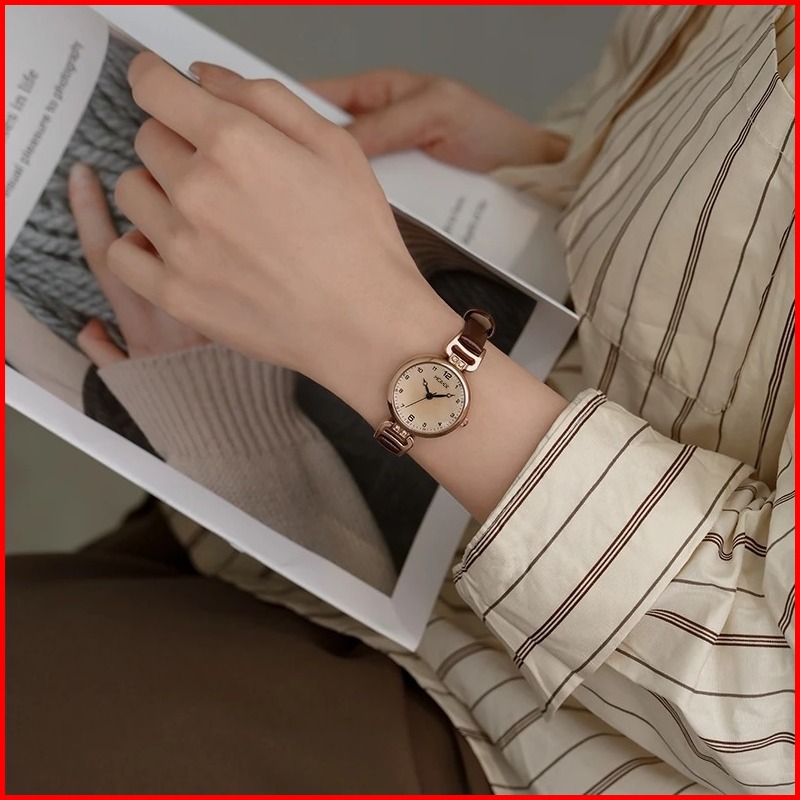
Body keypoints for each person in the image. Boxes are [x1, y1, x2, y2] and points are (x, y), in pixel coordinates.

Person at [7, 4, 794, 794]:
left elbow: (769, 712)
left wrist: (350, 347)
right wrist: (562, 167)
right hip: (346, 480)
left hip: (516, 722)